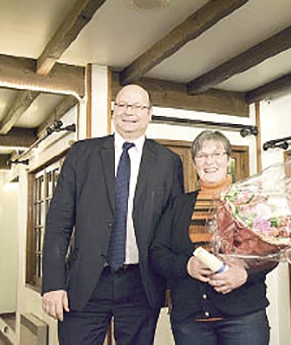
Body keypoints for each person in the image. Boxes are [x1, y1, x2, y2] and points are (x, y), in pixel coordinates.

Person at [41, 84, 184, 344]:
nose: (129, 112)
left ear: (149, 114)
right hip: (85, 283)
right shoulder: (82, 154)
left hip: (142, 283)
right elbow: (57, 225)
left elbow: (173, 231)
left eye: (138, 106)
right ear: (114, 111)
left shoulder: (168, 162)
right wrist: (53, 284)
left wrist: (176, 288)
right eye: (122, 105)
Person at [151, 130, 274, 345]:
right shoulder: (178, 205)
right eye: (202, 155)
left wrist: (244, 274)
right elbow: (157, 254)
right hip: (191, 321)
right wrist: (186, 266)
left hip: (243, 319)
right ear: (194, 163)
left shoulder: (249, 202)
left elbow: (272, 253)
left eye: (217, 154)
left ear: (228, 159)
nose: (209, 161)